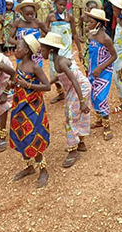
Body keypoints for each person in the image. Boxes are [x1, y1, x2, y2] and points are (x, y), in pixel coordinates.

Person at [39, 32, 91, 168]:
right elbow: (60, 77)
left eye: (42, 49)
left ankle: (73, 150)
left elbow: (74, 80)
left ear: (50, 51)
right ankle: (80, 142)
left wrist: (81, 101)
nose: (40, 51)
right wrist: (48, 84)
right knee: (71, 114)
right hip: (74, 89)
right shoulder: (56, 60)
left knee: (71, 117)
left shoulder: (60, 62)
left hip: (80, 88)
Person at [9, 34, 51, 189]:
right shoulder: (19, 65)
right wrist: (11, 84)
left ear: (26, 51)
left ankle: (43, 169)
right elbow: (17, 82)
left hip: (33, 107)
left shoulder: (34, 67)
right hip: (18, 105)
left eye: (17, 47)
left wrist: (28, 85)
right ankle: (29, 166)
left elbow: (47, 86)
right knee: (20, 133)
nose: (15, 49)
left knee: (33, 135)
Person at [85, 8, 117, 141]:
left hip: (104, 71)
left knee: (101, 97)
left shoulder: (105, 38)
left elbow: (114, 56)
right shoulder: (91, 35)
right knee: (93, 96)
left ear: (98, 23)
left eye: (91, 22)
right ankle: (99, 120)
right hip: (93, 70)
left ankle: (107, 126)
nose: (88, 24)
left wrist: (101, 68)